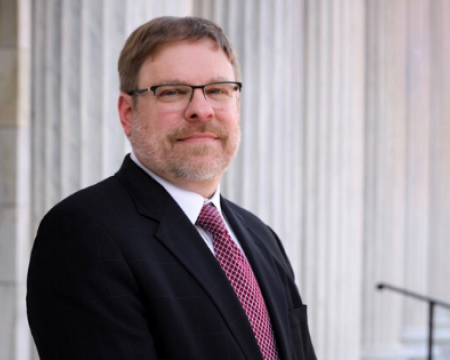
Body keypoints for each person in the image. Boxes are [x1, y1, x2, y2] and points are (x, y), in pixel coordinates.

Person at [27, 16, 316, 360]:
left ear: (236, 106)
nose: (201, 110)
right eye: (173, 92)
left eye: (218, 90)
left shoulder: (260, 237)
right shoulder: (82, 233)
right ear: (127, 113)